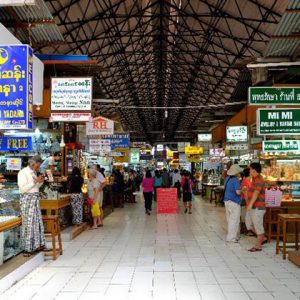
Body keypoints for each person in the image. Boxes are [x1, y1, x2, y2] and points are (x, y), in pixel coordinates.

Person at [17, 155, 45, 256]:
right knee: (29, 223)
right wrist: (35, 181)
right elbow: (23, 189)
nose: (39, 167)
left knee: (36, 223)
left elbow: (35, 187)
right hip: (27, 200)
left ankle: (37, 245)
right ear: (33, 163)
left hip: (35, 198)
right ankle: (27, 248)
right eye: (38, 165)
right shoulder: (23, 172)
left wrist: (40, 182)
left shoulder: (34, 172)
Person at [246, 162, 267, 252]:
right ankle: (263, 238)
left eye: (250, 169)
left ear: (254, 170)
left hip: (258, 207)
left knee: (258, 226)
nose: (249, 170)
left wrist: (250, 204)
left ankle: (258, 246)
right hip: (253, 207)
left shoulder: (259, 179)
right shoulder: (253, 179)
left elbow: (256, 193)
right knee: (249, 225)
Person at [223, 164, 244, 243]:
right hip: (234, 202)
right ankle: (231, 238)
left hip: (227, 201)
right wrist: (243, 189)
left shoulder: (227, 179)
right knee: (234, 220)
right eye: (238, 172)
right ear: (236, 173)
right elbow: (238, 192)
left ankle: (231, 236)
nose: (239, 173)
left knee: (230, 219)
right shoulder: (235, 180)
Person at [241, 168, 252, 235]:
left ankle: (246, 230)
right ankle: (244, 230)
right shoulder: (245, 181)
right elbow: (245, 193)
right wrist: (248, 202)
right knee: (244, 215)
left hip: (247, 200)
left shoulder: (248, 180)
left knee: (246, 215)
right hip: (244, 200)